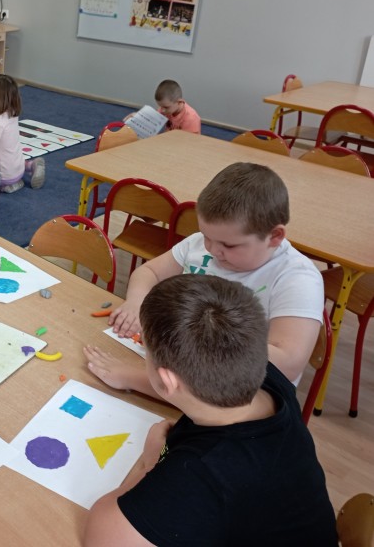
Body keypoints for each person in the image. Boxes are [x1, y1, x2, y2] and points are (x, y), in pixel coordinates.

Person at [83, 275, 338, 547]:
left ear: (168, 381)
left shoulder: (202, 474)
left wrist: (151, 464)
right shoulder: (268, 379)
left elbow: (101, 537)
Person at [85, 163, 323, 393]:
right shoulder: (199, 244)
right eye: (206, 236)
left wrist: (189, 345)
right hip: (173, 366)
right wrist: (137, 302)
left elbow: (288, 363)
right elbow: (149, 272)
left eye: (229, 245)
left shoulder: (297, 279)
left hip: (243, 392)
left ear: (275, 236)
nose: (212, 250)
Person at [0, 74, 45, 192]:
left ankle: (10, 185)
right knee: (9, 152)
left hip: (5, 176)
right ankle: (30, 165)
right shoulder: (11, 113)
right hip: (18, 167)